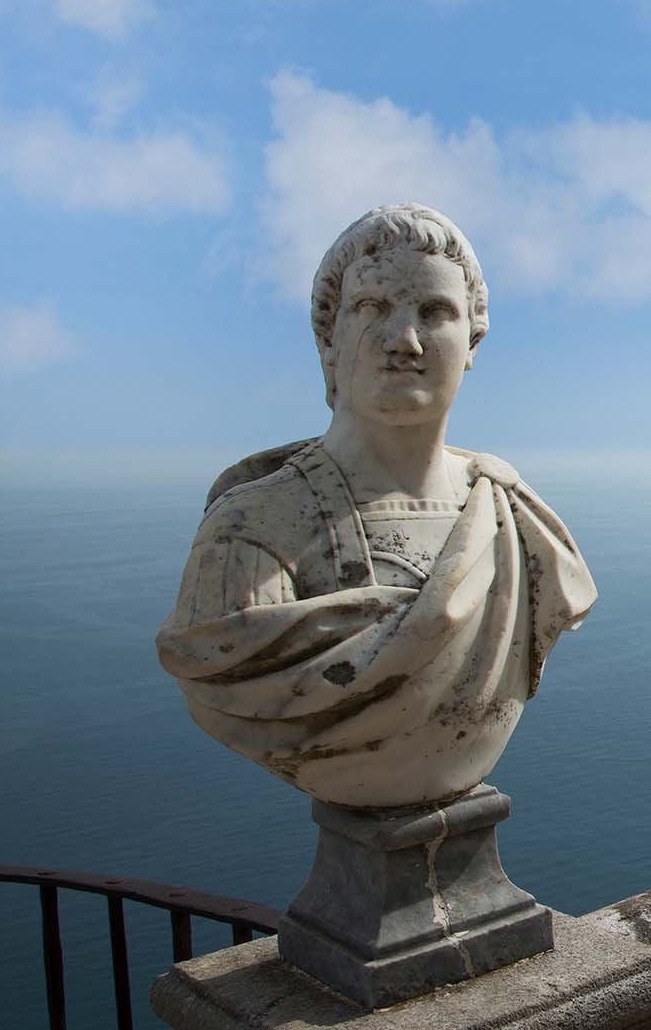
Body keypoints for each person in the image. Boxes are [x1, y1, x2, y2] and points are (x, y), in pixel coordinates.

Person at [157, 204, 596, 809]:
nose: (405, 341)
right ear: (329, 342)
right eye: (373, 309)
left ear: (472, 342)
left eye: (434, 312)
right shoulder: (250, 530)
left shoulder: (515, 518)